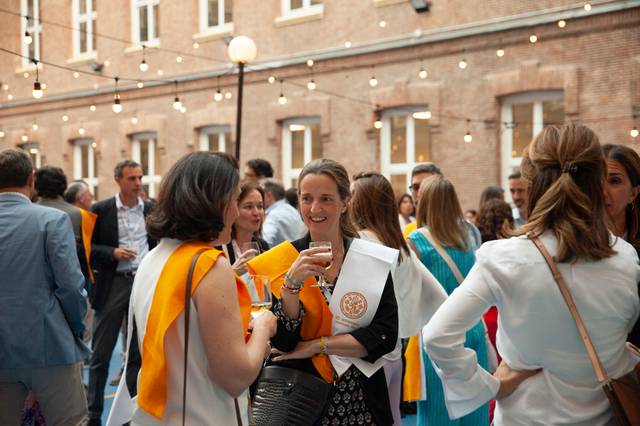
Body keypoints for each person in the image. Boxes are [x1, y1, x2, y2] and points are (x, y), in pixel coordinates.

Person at [422, 124, 640, 425]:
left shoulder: (503, 258)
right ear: (597, 182)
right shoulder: (626, 258)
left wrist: (490, 385)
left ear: (533, 181)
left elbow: (437, 336)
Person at [107, 152, 276, 425]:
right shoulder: (208, 265)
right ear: (214, 203)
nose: (235, 212)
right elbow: (235, 377)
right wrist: (264, 328)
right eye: (234, 200)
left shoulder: (154, 257)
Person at [248, 159, 399, 425]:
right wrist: (292, 285)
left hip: (362, 400)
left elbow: (384, 335)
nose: (315, 209)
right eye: (306, 199)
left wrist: (316, 346)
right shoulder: (282, 261)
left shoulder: (370, 259)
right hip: (302, 402)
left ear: (345, 202)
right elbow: (284, 343)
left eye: (326, 199)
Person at [351, 172, 448, 425]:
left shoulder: (361, 242)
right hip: (394, 351)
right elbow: (438, 295)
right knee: (392, 418)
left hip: (366, 354)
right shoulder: (398, 244)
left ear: (359, 203)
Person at [0, 149, 88, 426]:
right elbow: (71, 287)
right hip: (49, 343)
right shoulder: (51, 220)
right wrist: (77, 330)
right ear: (32, 177)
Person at [408, 174, 490, 426]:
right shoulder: (468, 234)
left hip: (437, 334)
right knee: (474, 409)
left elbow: (410, 294)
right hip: (473, 328)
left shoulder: (415, 241)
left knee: (437, 413)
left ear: (424, 203)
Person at [87, 160, 156, 425]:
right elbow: (89, 248)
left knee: (144, 351)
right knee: (101, 353)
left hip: (144, 281)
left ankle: (139, 412)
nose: (138, 183)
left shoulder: (151, 208)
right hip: (114, 281)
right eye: (131, 178)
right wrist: (112, 252)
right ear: (118, 180)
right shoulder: (101, 210)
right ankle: (94, 415)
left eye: (140, 177)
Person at [602, 144, 640, 346]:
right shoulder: (573, 245)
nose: (603, 191)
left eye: (614, 181)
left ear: (634, 193)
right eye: (595, 181)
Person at [405, 163, 482, 251]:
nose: (420, 193)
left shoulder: (467, 231)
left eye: (426, 186)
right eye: (416, 187)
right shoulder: (408, 231)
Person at [222, 181, 270, 296]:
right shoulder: (219, 246)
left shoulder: (262, 246)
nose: (256, 212)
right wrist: (233, 273)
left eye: (260, 206)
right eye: (248, 207)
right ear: (234, 209)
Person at [261, 179, 307, 247]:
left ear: (269, 195)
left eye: (261, 194)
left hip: (283, 255)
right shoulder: (292, 210)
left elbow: (266, 240)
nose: (260, 197)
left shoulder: (273, 215)